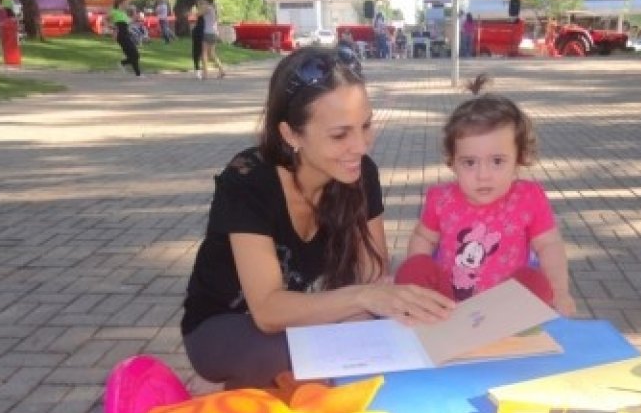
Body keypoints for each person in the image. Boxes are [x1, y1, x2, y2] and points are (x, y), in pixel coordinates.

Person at [181, 45, 455, 388]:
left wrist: (397, 306)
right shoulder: (248, 181)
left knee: (377, 345)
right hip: (223, 324)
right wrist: (362, 299)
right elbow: (267, 312)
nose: (361, 146)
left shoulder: (358, 174)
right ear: (291, 134)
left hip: (305, 319)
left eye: (366, 125)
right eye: (340, 135)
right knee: (317, 361)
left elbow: (373, 277)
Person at [395, 74, 576, 316]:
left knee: (536, 284)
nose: (483, 175)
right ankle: (419, 307)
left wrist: (561, 293)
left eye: (497, 161)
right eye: (469, 162)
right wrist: (417, 278)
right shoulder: (441, 199)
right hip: (448, 307)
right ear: (452, 161)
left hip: (507, 310)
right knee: (413, 269)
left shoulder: (528, 198)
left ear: (519, 158)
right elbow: (423, 238)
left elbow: (549, 245)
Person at [109, 0, 141, 77]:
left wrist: (134, 12)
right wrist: (112, 27)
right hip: (121, 35)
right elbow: (104, 19)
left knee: (134, 55)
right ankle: (136, 73)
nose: (127, 5)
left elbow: (130, 21)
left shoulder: (124, 14)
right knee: (134, 54)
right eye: (126, 3)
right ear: (120, 4)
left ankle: (135, 72)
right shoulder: (114, 12)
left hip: (127, 35)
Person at [199, 0, 225, 80]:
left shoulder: (207, 7)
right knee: (212, 54)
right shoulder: (213, 8)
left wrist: (200, 6)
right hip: (214, 33)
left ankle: (205, 74)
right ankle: (221, 70)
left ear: (206, 0)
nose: (201, 1)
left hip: (207, 32)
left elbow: (198, 14)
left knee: (204, 53)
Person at [190, 9, 205, 78]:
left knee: (197, 53)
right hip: (200, 34)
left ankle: (199, 70)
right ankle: (199, 70)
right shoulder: (203, 14)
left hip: (199, 33)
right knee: (199, 52)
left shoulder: (207, 10)